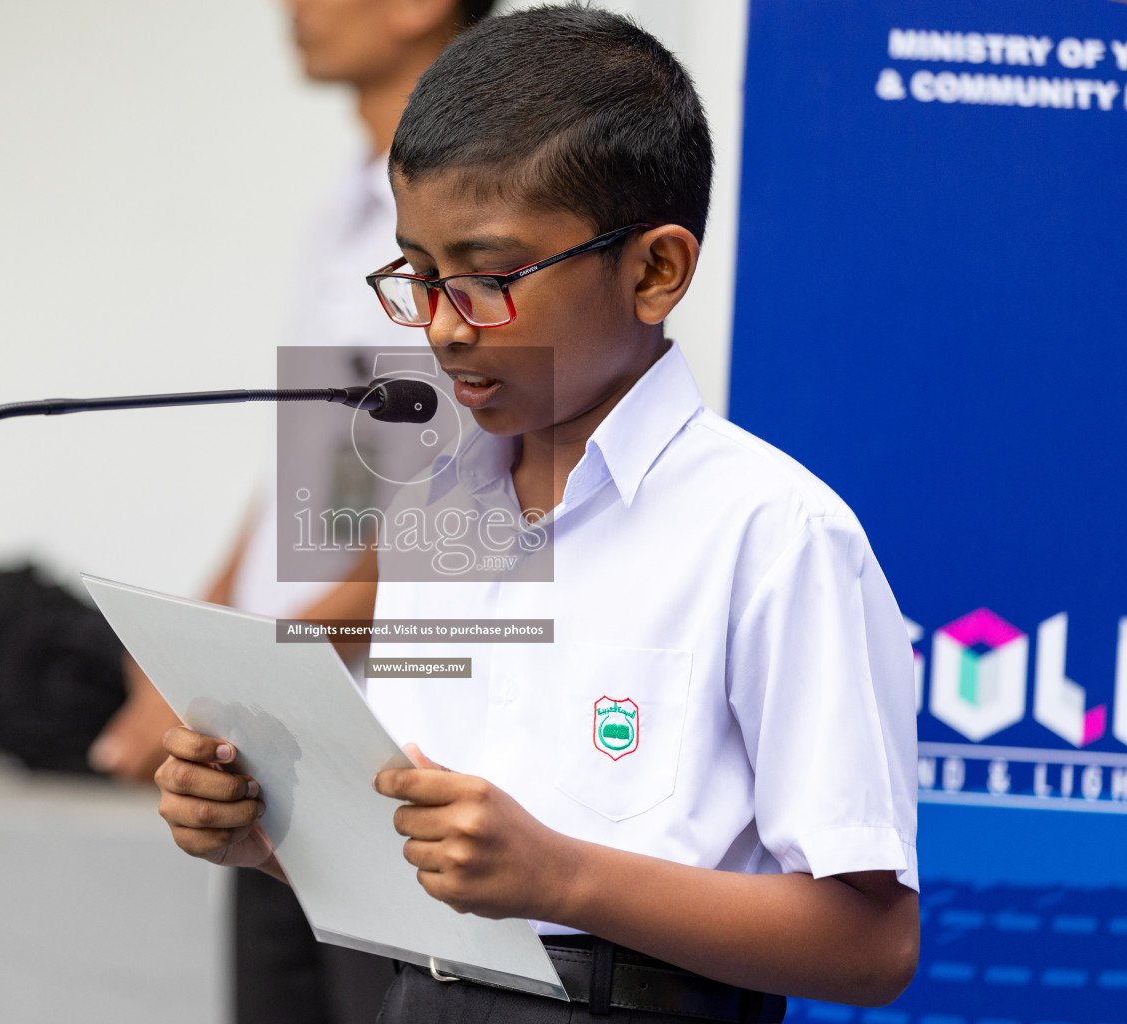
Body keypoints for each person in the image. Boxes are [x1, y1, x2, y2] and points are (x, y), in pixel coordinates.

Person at [153, 6, 920, 1022]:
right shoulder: (434, 505)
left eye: (486, 280)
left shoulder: (771, 531)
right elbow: (427, 858)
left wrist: (560, 878)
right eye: (418, 276)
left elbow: (873, 948)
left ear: (655, 270)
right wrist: (269, 831)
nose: (438, 328)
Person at [88, 2, 496, 1022]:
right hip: (284, 733)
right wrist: (201, 645)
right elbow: (311, 460)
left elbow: (470, 491)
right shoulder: (346, 204)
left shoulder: (492, 210)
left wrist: (266, 663)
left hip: (391, 740)